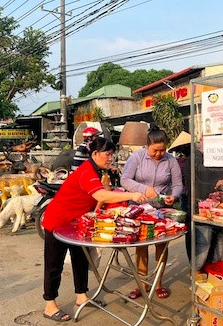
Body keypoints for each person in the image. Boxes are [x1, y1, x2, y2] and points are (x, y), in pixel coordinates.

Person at [42, 138, 146, 322]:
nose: (110, 158)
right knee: (54, 264)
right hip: (58, 221)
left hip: (77, 222)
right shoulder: (87, 171)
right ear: (95, 154)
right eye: (107, 154)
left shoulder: (98, 171)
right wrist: (132, 195)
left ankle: (82, 296)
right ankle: (50, 305)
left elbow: (98, 196)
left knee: (81, 258)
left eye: (112, 154)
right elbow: (100, 195)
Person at [120, 125, 183, 299]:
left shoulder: (171, 160)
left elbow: (178, 184)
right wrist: (143, 189)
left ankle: (158, 283)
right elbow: (124, 179)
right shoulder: (137, 157)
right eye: (155, 150)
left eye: (162, 150)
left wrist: (174, 196)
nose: (158, 154)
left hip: (161, 209)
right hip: (139, 208)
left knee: (161, 245)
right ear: (147, 146)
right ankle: (142, 284)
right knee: (141, 246)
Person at [184, 142, 223, 272]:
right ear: (201, 141)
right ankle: (196, 273)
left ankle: (213, 273)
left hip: (218, 208)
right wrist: (215, 184)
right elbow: (194, 183)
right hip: (200, 209)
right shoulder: (194, 159)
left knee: (218, 244)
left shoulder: (219, 158)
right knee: (203, 244)